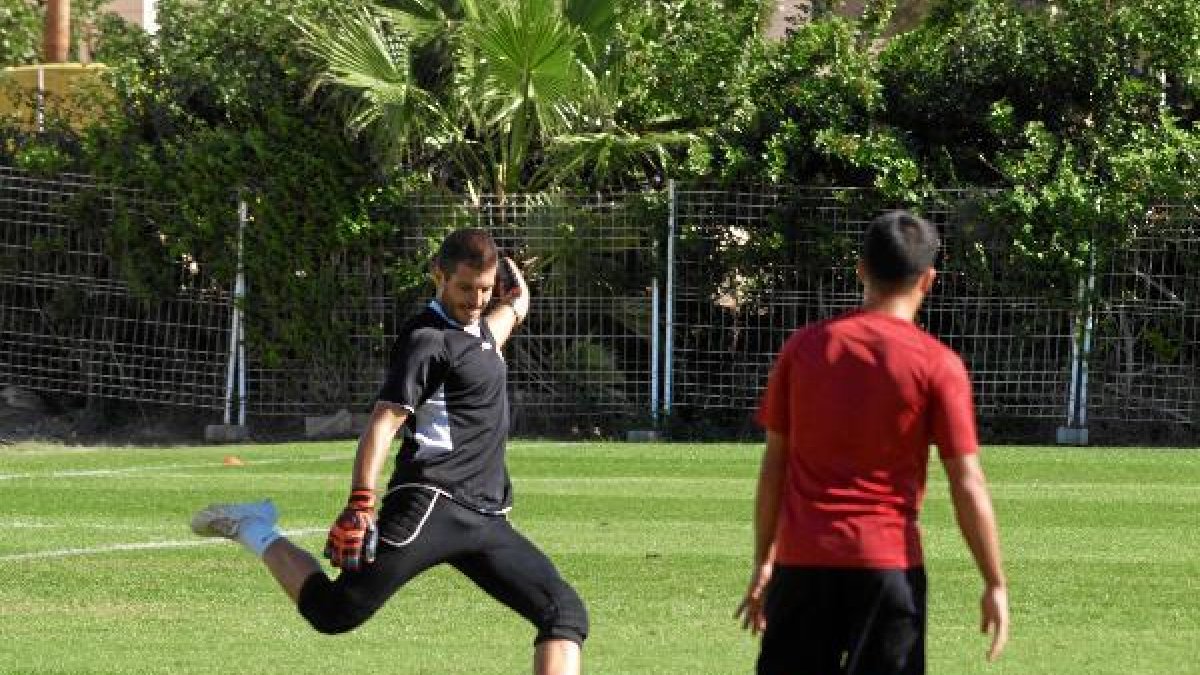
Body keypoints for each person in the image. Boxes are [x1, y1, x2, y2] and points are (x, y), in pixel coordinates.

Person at [190, 228, 588, 675]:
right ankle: (253, 526)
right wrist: (361, 503)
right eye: (464, 288)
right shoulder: (428, 340)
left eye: (483, 289)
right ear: (439, 275)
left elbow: (513, 310)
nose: (475, 300)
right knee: (334, 612)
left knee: (564, 614)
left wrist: (512, 284)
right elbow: (383, 424)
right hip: (431, 505)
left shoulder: (481, 332)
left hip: (487, 518)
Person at [735, 210, 1009, 674]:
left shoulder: (804, 349)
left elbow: (774, 465)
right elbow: (967, 483)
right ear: (928, 280)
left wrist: (765, 560)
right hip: (887, 566)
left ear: (861, 269)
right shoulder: (937, 365)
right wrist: (994, 581)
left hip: (803, 564)